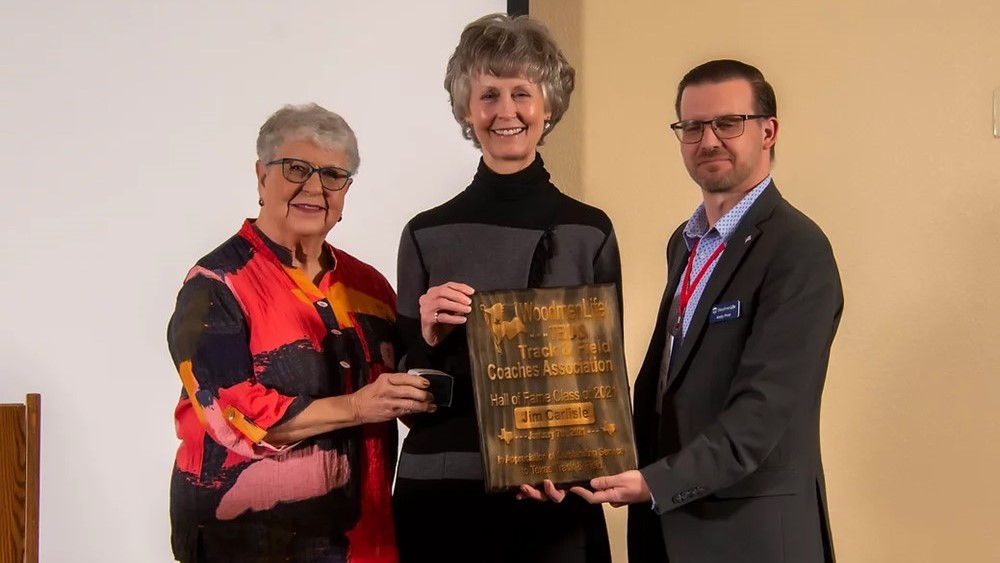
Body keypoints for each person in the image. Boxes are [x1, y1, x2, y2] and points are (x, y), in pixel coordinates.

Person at [572, 59, 843, 563]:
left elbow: (761, 413)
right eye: (692, 127)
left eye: (728, 123)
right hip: (668, 529)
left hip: (751, 535)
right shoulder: (687, 242)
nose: (709, 140)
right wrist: (578, 460)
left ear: (768, 131)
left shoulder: (797, 249)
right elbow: (668, 389)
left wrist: (652, 482)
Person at [392, 13, 619, 563]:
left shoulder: (591, 230)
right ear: (468, 110)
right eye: (488, 94)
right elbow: (406, 396)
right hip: (444, 497)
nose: (506, 111)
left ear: (548, 105)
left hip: (554, 494)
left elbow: (604, 384)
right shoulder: (425, 232)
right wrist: (426, 338)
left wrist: (576, 469)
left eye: (522, 92)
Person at [167, 103, 435, 563]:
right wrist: (356, 406)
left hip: (363, 540)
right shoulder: (216, 284)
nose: (314, 187)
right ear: (261, 176)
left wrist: (434, 337)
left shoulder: (367, 285)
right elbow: (234, 414)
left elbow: (408, 394)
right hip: (244, 543)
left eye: (334, 175)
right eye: (296, 169)